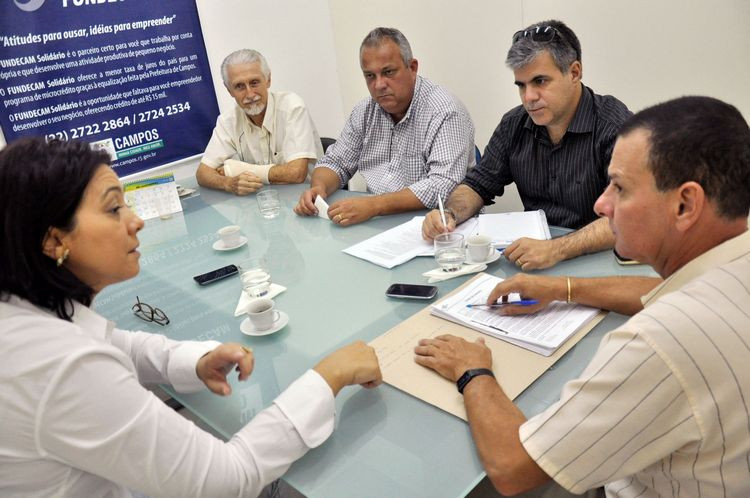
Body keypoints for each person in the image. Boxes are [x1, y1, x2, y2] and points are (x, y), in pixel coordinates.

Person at [0, 138, 381, 497]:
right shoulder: (62, 365)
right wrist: (326, 378)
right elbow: (228, 479)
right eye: (114, 208)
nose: (136, 222)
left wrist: (194, 361)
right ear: (53, 241)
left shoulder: (24, 314)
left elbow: (122, 346)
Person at [415, 96, 750, 496]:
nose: (601, 203)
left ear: (685, 204)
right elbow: (660, 292)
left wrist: (473, 372)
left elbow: (513, 467)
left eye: (620, 188)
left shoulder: (661, 342)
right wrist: (562, 287)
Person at [422, 20, 632, 270]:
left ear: (574, 73)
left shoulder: (614, 126)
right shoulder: (514, 123)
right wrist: (449, 214)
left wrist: (556, 249)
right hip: (533, 260)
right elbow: (478, 184)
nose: (529, 97)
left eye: (540, 81)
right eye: (521, 85)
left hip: (601, 261)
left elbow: (626, 216)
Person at [294, 27, 475, 226]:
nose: (379, 85)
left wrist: (374, 205)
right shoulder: (365, 111)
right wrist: (318, 188)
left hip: (438, 227)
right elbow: (336, 162)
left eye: (388, 72)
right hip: (379, 225)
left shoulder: (445, 111)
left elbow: (442, 186)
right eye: (370, 76)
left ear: (412, 67)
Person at [196, 49, 323, 195]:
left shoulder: (292, 107)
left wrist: (236, 169)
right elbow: (202, 173)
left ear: (268, 80)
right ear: (229, 90)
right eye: (239, 86)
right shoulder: (228, 121)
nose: (249, 94)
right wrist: (229, 183)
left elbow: (296, 173)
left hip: (305, 201)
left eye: (254, 83)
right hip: (264, 203)